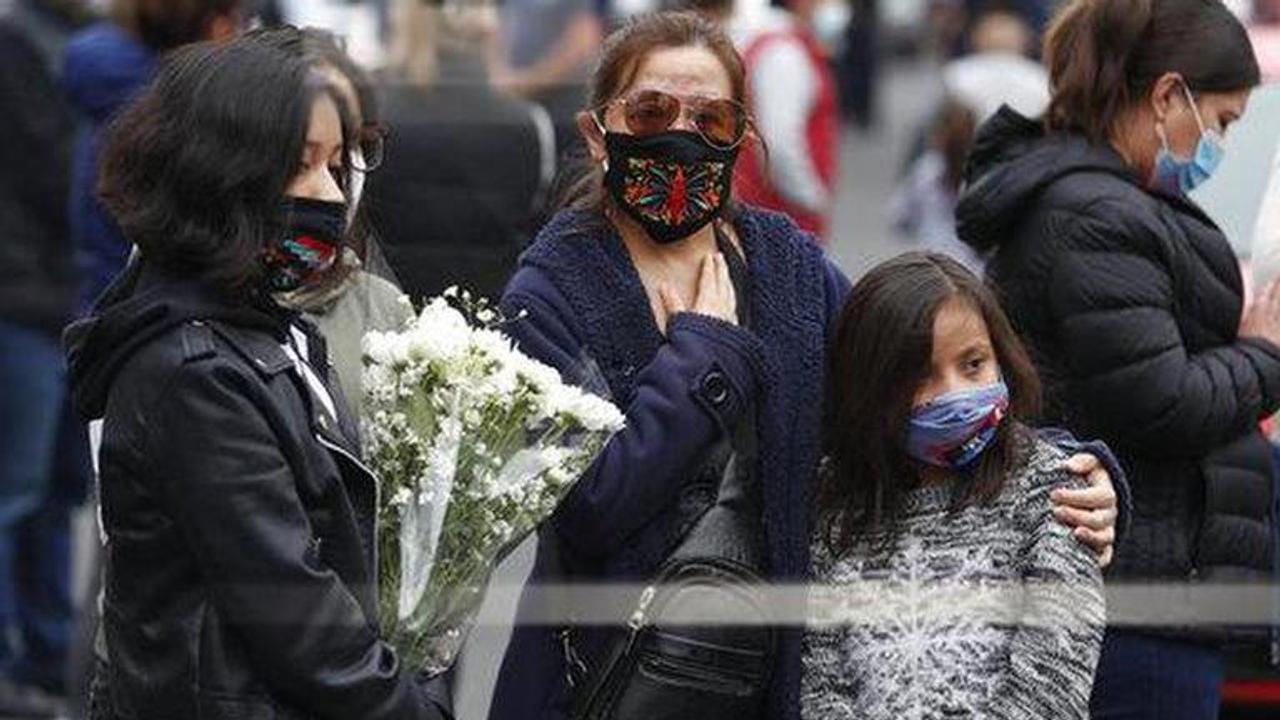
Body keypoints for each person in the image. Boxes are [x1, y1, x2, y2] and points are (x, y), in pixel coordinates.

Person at [492, 12, 1122, 720]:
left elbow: (901, 399)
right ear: (596, 135)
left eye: (712, 119)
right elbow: (590, 508)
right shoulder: (548, 292)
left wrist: (1070, 468)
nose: (681, 136)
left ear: (742, 140)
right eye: (651, 111)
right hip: (602, 684)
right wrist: (702, 352)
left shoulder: (787, 267)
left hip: (770, 678)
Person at [64, 28, 448, 719]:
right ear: (222, 171)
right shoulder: (196, 368)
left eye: (340, 164)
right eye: (302, 164)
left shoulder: (260, 330)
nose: (330, 193)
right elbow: (294, 615)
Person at [955, 1, 1280, 717]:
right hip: (1135, 599)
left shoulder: (1090, 202)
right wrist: (1263, 354)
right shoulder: (1098, 218)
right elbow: (1161, 400)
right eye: (1221, 121)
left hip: (1132, 591)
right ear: (1168, 96)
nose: (1219, 145)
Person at [805, 251, 1104, 719]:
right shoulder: (835, 509)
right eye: (923, 375)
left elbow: (1051, 695)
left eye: (973, 365)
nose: (956, 395)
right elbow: (820, 687)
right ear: (873, 386)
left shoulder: (1053, 492)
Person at [0, 7, 82, 718]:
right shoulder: (18, 40)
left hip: (50, 299)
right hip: (22, 299)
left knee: (51, 494)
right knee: (16, 495)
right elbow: (55, 172)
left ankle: (49, 659)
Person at [63, 0, 242, 314]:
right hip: (153, 318)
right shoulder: (173, 116)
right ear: (208, 23)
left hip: (108, 305)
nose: (237, 33)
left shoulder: (113, 86)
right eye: (230, 18)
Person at [370, 0, 553, 304]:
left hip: (391, 315)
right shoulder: (529, 123)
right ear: (488, 26)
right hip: (491, 320)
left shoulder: (374, 114)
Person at [731, 0, 841, 240]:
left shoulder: (783, 44)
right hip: (781, 213)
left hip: (774, 211)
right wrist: (811, 198)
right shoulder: (783, 53)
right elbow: (779, 142)